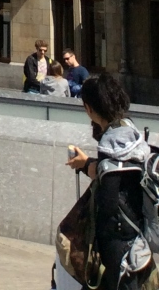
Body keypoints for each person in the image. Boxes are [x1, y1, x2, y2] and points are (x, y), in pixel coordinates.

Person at [67, 72, 151, 290]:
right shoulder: (128, 129)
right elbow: (119, 173)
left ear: (89, 108)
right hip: (136, 230)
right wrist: (86, 164)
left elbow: (109, 199)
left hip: (117, 239)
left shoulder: (111, 142)